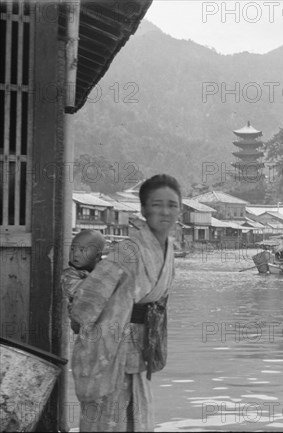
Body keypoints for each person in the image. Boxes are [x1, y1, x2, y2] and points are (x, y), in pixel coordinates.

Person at [70, 174, 181, 431]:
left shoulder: (169, 249)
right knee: (109, 420)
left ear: (180, 210)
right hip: (111, 349)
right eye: (156, 204)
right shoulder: (127, 251)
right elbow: (86, 301)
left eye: (172, 205)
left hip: (138, 351)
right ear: (143, 210)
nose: (165, 212)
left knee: (137, 419)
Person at [62, 230, 105, 334]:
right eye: (72, 249)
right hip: (82, 325)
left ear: (97, 256)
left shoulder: (105, 269)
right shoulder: (68, 275)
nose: (75, 254)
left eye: (82, 250)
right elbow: (83, 291)